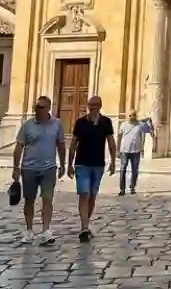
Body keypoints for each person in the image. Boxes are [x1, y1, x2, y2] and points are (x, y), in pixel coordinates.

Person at [12, 95, 66, 245]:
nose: (37, 109)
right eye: (36, 107)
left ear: (48, 108)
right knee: (29, 200)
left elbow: (61, 145)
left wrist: (63, 164)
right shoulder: (28, 125)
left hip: (49, 167)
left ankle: (46, 230)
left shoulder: (57, 124)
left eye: (41, 107)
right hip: (28, 168)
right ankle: (29, 230)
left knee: (47, 198)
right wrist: (16, 168)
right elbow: (18, 147)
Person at [69, 95, 116, 242]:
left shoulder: (106, 122)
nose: (93, 107)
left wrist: (114, 161)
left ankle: (86, 224)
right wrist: (69, 164)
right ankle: (84, 227)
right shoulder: (80, 123)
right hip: (82, 163)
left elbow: (111, 142)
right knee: (84, 194)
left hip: (98, 164)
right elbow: (73, 144)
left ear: (100, 106)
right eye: (90, 105)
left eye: (95, 105)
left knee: (92, 197)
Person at [117, 110, 153, 196]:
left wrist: (148, 121)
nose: (131, 117)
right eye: (129, 115)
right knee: (123, 169)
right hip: (125, 150)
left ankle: (132, 187)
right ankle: (122, 189)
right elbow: (119, 136)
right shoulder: (123, 125)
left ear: (135, 116)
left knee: (135, 170)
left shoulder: (140, 125)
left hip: (136, 151)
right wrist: (118, 150)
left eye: (133, 115)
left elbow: (149, 130)